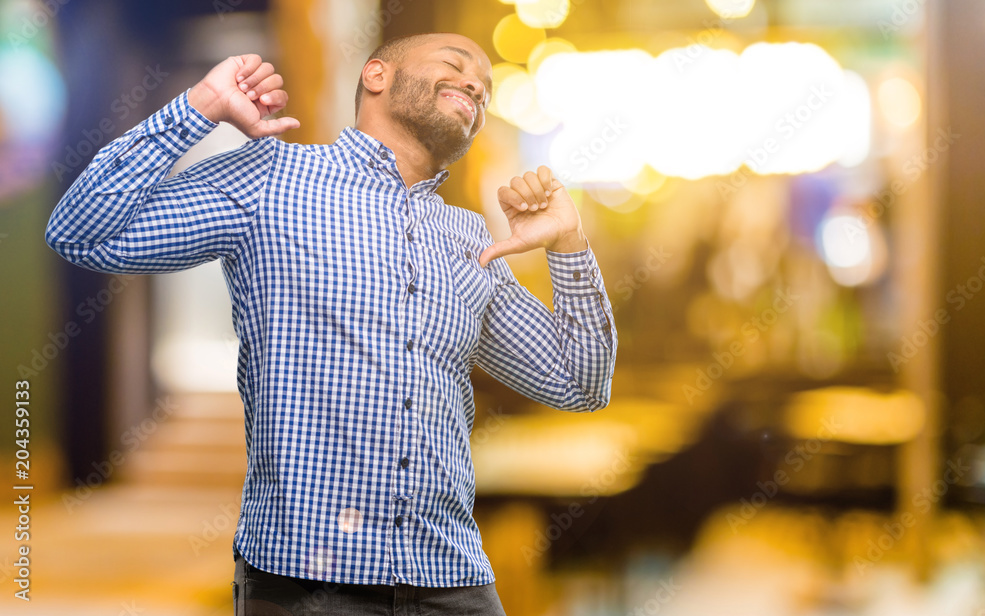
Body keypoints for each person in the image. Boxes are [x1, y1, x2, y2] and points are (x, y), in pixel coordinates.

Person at [46, 32, 617, 615]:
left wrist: (568, 244)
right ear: (376, 76)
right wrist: (197, 108)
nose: (476, 83)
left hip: (454, 583)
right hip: (309, 584)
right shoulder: (271, 178)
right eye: (456, 64)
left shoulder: (470, 238)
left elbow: (580, 383)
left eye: (487, 87)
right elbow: (83, 233)